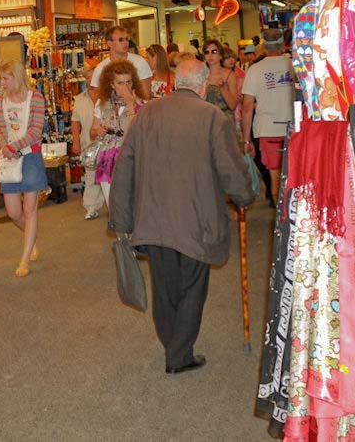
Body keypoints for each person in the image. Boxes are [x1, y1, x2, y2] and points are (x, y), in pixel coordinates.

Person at [109, 58, 255, 375]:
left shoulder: (146, 113)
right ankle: (179, 353)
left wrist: (120, 219)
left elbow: (125, 167)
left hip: (154, 218)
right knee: (192, 287)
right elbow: (230, 167)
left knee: (165, 287)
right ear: (204, 86)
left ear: (176, 83)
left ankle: (175, 346)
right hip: (196, 220)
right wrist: (245, 196)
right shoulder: (213, 117)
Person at [0, 59, 48, 277]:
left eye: (5, 78)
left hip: (30, 156)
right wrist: (5, 147)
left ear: (16, 77)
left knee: (30, 209)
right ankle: (31, 237)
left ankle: (24, 259)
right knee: (13, 212)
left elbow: (36, 130)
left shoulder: (35, 98)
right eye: (1, 79)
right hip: (9, 159)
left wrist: (14, 146)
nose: (2, 82)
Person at [241, 28, 295, 205]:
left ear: (264, 46)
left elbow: (247, 107)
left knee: (275, 175)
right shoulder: (294, 64)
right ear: (283, 44)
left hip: (267, 129)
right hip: (295, 127)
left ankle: (280, 222)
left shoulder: (255, 70)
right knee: (295, 174)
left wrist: (246, 139)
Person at [90, 60, 149, 207]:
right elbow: (92, 132)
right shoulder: (102, 103)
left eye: (129, 82)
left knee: (132, 206)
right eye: (120, 83)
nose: (125, 87)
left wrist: (131, 105)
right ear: (111, 84)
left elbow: (137, 133)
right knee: (113, 207)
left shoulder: (143, 105)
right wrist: (98, 131)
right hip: (107, 159)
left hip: (131, 159)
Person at [70, 65, 103, 220]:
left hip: (107, 143)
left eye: (93, 76)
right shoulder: (79, 99)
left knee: (109, 175)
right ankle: (91, 206)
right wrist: (75, 142)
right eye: (88, 77)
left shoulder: (107, 97)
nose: (90, 80)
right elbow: (75, 122)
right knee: (91, 175)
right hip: (88, 144)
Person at [90, 25, 152, 96]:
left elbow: (146, 95)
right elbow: (97, 98)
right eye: (120, 40)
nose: (125, 43)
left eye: (126, 39)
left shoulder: (139, 62)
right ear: (109, 43)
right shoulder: (101, 68)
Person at [201, 39, 241, 121]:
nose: (210, 55)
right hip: (207, 120)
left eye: (214, 52)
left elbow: (233, 105)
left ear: (220, 56)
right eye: (207, 52)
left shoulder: (230, 75)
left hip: (225, 121)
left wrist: (223, 88)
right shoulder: (201, 75)